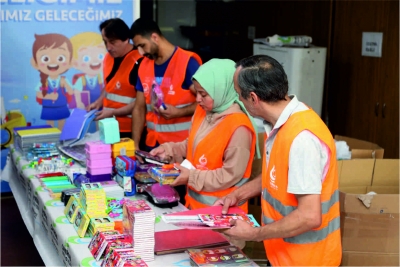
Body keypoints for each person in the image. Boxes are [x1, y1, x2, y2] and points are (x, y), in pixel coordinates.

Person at [214, 55, 342, 266]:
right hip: (282, 255)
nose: (239, 102)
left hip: (306, 260)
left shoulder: (301, 139)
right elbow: (277, 174)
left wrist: (253, 234)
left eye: (239, 96)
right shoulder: (281, 123)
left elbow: (309, 216)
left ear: (253, 98)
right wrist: (239, 194)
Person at [149, 59, 259, 213]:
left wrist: (191, 177)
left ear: (221, 90)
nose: (197, 99)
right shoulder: (204, 111)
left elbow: (229, 175)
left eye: (203, 94)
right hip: (193, 206)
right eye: (197, 92)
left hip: (223, 215)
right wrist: (169, 151)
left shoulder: (239, 127)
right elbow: (194, 145)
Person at [130, 18, 202, 151]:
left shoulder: (187, 62)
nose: (140, 52)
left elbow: (208, 102)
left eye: (142, 45)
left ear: (154, 37)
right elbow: (139, 108)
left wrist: (179, 112)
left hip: (181, 148)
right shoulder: (144, 66)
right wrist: (135, 145)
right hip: (152, 146)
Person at [88, 18, 143, 138]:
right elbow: (109, 85)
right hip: (108, 125)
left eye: (112, 42)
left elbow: (143, 102)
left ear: (125, 39)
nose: (108, 47)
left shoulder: (140, 62)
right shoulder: (108, 57)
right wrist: (99, 101)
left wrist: (113, 112)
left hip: (130, 129)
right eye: (105, 42)